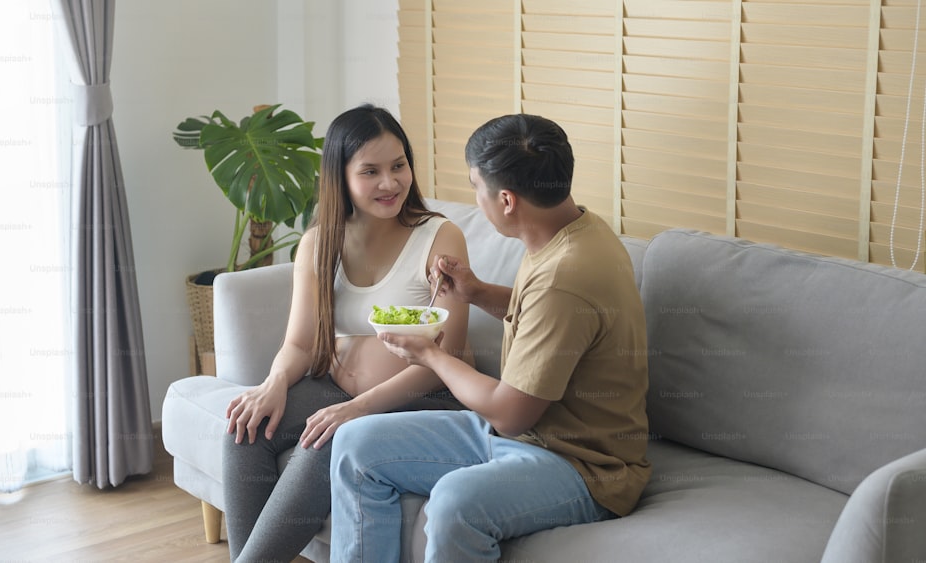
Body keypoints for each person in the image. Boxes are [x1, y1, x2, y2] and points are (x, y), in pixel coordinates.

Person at [329, 113, 652, 562]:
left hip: (582, 466)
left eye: (476, 187)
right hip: (525, 439)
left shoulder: (566, 273)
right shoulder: (571, 230)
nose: (474, 200)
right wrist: (477, 292)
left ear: (506, 199)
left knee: (455, 504)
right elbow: (545, 314)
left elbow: (509, 413)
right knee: (355, 445)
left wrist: (431, 355)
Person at [221, 104, 471, 563]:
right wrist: (273, 384)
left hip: (419, 398)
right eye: (370, 171)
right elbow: (299, 343)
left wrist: (355, 410)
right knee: (245, 427)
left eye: (399, 166)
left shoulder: (440, 236)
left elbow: (448, 356)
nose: (390, 183)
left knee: (324, 445)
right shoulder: (320, 242)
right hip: (333, 387)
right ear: (341, 177)